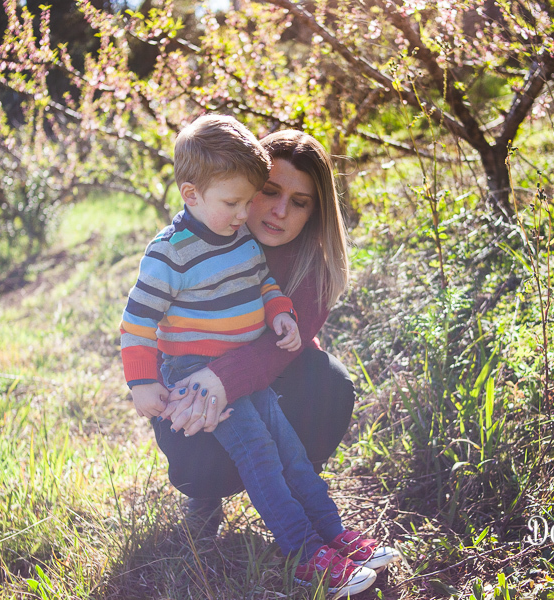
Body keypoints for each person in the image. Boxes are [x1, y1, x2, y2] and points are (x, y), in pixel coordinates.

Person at [120, 116, 398, 598]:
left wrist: (280, 312)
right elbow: (138, 320)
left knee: (292, 452)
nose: (272, 211)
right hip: (191, 372)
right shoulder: (176, 250)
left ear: (314, 211)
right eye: (264, 193)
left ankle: (331, 532)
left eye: (300, 202)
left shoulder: (250, 243)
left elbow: (263, 287)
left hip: (254, 380)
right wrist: (143, 381)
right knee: (263, 456)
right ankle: (303, 553)